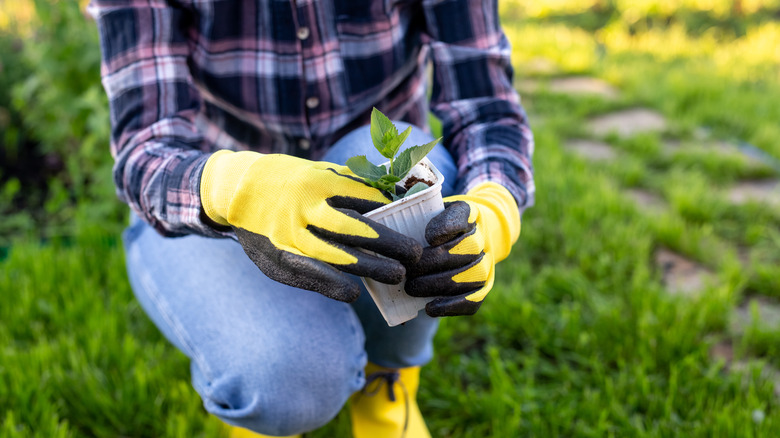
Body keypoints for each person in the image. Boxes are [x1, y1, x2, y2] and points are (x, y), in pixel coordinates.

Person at [89, 0, 534, 437]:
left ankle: (387, 386)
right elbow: (144, 151)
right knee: (284, 376)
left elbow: (486, 106)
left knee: (399, 162)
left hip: (367, 171)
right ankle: (269, 415)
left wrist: (495, 207)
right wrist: (239, 187)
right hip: (211, 206)